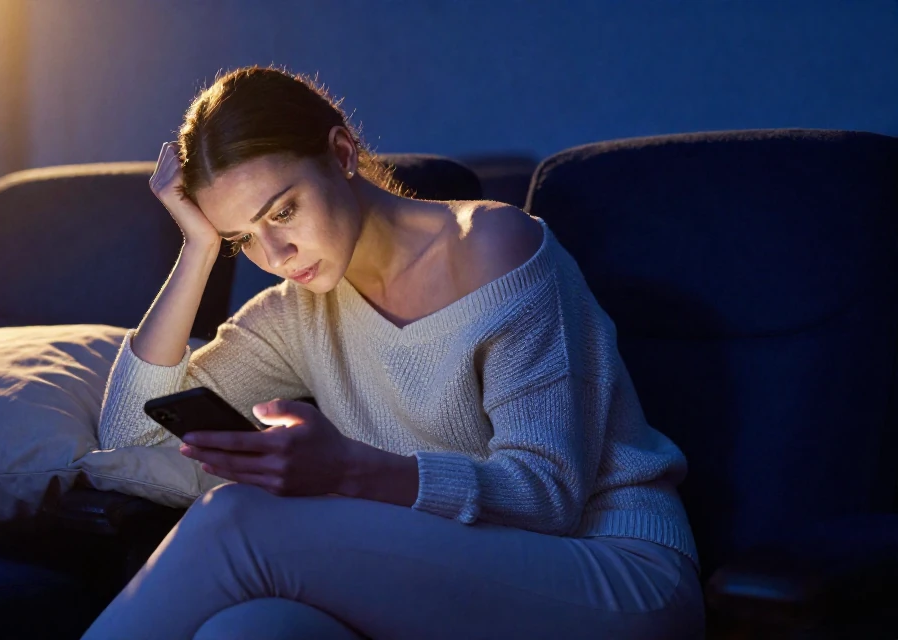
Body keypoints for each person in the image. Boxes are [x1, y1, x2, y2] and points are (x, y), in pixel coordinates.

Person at [81, 65, 704, 640]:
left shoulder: (494, 247)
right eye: (242, 238)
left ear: (342, 153)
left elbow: (548, 498)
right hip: (452, 580)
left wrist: (347, 471)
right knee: (248, 631)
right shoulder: (298, 310)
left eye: (284, 211)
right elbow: (133, 435)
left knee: (237, 520)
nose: (275, 255)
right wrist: (198, 249)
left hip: (613, 571)